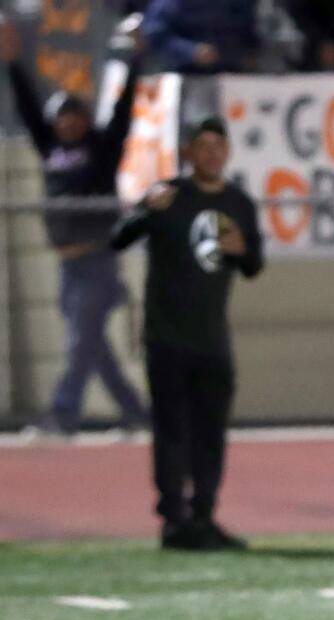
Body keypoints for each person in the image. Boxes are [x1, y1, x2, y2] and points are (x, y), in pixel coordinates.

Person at [111, 117, 264, 551]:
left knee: (211, 432)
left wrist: (243, 251)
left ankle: (204, 514)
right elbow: (118, 239)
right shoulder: (169, 196)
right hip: (166, 337)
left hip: (212, 337)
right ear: (188, 152)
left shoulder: (239, 203)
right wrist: (143, 212)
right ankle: (174, 518)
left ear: (227, 152)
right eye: (203, 146)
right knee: (172, 431)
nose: (212, 154)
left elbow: (253, 267)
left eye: (219, 146)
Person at [1, 17, 148, 438]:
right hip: (67, 267)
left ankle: (62, 417)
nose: (68, 123)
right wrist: (12, 60)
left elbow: (123, 113)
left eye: (74, 116)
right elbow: (29, 105)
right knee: (94, 349)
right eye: (61, 117)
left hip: (97, 261)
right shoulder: (50, 148)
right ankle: (137, 414)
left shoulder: (100, 150)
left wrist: (136, 59)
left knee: (80, 344)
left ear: (85, 120)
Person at [141, 0, 259, 73]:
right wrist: (191, 51)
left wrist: (251, 52)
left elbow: (249, 29)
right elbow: (154, 34)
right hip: (184, 76)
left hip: (232, 76)